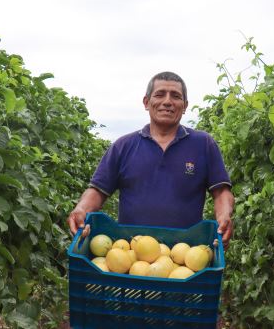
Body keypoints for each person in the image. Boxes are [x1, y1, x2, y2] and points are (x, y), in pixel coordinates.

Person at [67, 71, 234, 248]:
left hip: (186, 258)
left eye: (176, 96)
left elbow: (221, 192)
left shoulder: (203, 144)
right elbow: (98, 191)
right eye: (160, 94)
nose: (167, 101)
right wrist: (81, 209)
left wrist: (224, 216)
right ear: (147, 102)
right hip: (131, 257)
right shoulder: (123, 146)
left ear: (184, 106)